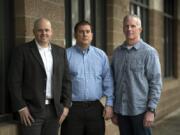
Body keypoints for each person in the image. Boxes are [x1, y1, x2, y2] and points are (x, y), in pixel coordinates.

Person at [8, 17, 72, 135]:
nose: (44, 33)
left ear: (51, 32)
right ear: (34, 32)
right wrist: (21, 107)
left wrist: (66, 107)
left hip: (54, 111)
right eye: (40, 30)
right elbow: (14, 82)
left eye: (47, 30)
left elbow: (66, 80)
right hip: (31, 112)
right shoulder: (22, 51)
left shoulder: (60, 52)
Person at [111, 14, 162, 135]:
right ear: (123, 29)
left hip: (141, 112)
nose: (129, 29)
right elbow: (112, 82)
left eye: (133, 26)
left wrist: (151, 110)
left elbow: (156, 83)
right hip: (121, 112)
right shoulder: (117, 53)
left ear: (140, 29)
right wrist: (113, 109)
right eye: (126, 26)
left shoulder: (149, 52)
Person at [61, 20, 114, 135]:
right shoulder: (65, 55)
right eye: (81, 32)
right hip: (72, 109)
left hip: (95, 109)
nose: (85, 34)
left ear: (92, 35)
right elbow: (60, 83)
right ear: (75, 35)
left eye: (87, 31)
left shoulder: (101, 56)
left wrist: (109, 104)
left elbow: (108, 81)